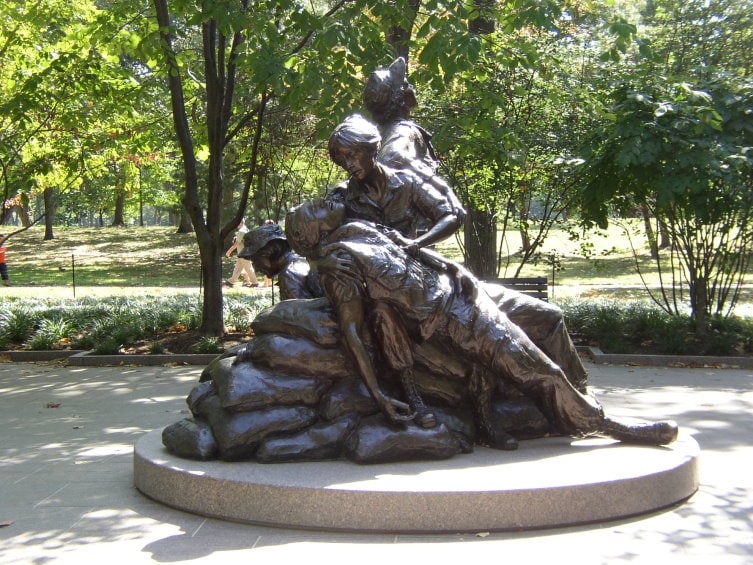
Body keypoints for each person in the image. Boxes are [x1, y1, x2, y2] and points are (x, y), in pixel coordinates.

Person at [285, 199, 679, 448]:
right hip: (456, 317)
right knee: (538, 369)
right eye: (316, 209)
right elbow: (354, 332)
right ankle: (604, 425)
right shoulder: (338, 267)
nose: (326, 202)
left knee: (549, 319)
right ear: (315, 233)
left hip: (471, 289)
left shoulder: (359, 227)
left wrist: (459, 271)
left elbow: (419, 253)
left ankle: (574, 401)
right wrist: (379, 395)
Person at [325, 114, 589, 393]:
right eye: (342, 161)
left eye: (353, 156)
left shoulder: (408, 183)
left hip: (435, 278)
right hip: (398, 299)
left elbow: (452, 214)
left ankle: (580, 392)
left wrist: (418, 243)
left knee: (549, 317)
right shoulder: (342, 199)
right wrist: (321, 260)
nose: (348, 165)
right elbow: (312, 238)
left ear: (371, 149)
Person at [363, 57, 465, 224]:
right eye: (405, 84)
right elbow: (391, 156)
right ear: (398, 96)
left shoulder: (383, 131)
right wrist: (443, 188)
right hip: (412, 228)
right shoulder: (404, 130)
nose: (411, 88)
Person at [238, 222, 322, 300]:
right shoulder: (299, 262)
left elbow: (298, 314)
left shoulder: (289, 274)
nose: (255, 268)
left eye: (255, 260)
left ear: (269, 253)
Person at [224, 219, 258, 288]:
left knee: (248, 267)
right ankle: (230, 282)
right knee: (237, 268)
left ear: (240, 223)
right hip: (244, 252)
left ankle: (255, 283)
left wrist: (229, 251)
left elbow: (237, 243)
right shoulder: (246, 229)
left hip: (243, 253)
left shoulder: (241, 231)